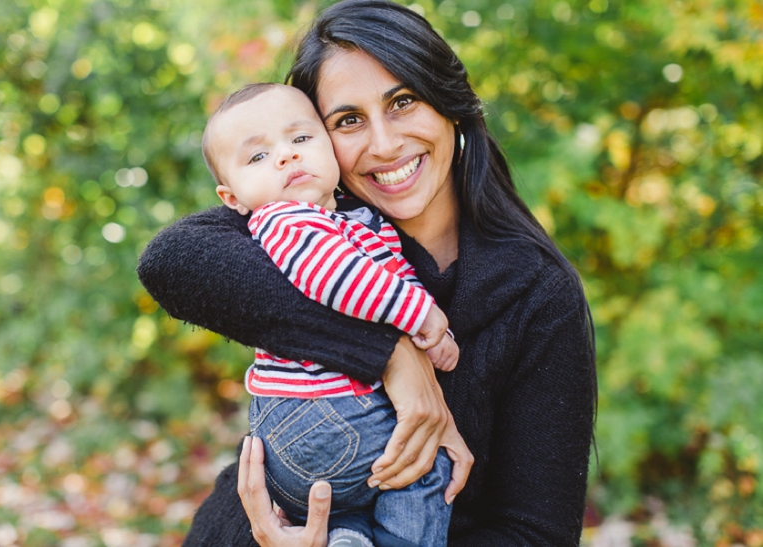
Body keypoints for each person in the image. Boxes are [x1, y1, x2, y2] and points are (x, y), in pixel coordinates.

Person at [136, 0, 597, 545]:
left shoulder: (538, 294)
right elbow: (170, 259)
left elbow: (535, 533)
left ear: (449, 104)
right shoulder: (313, 220)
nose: (383, 144)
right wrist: (391, 354)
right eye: (348, 120)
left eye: (403, 101)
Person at [199, 81, 459, 546]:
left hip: (320, 434)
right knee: (426, 462)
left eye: (300, 139)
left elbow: (392, 274)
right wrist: (421, 319)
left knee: (359, 499)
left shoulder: (353, 220)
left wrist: (427, 329)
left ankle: (348, 537)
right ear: (232, 199)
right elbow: (337, 279)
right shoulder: (285, 220)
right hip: (322, 414)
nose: (286, 157)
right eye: (257, 157)